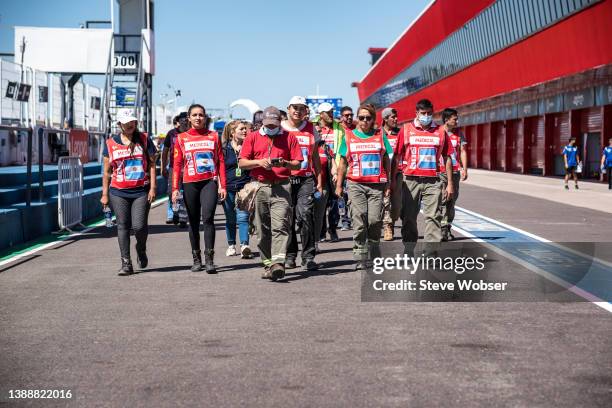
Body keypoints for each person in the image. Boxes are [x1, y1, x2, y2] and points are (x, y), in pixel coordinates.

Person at [239, 106, 303, 281]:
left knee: (281, 225)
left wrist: (285, 163)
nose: (272, 127)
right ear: (262, 122)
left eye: (274, 124)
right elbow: (242, 163)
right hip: (260, 187)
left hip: (282, 187)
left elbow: (298, 164)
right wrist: (259, 162)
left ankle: (278, 263)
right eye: (268, 124)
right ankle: (267, 264)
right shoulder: (252, 137)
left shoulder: (289, 137)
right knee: (262, 229)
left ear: (279, 122)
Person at [391, 98, 453, 256]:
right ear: (416, 113)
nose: (426, 116)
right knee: (409, 217)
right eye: (423, 113)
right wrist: (392, 181)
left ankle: (431, 253)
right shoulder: (405, 130)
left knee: (433, 216)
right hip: (410, 180)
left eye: (429, 113)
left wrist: (450, 183)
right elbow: (396, 156)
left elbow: (447, 157)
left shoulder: (440, 131)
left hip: (433, 181)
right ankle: (409, 248)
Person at [335, 103, 393, 270]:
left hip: (376, 185)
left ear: (373, 119)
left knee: (375, 221)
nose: (365, 121)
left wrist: (389, 182)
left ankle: (374, 249)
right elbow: (343, 164)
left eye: (368, 118)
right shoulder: (348, 136)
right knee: (359, 220)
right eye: (361, 118)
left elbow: (386, 160)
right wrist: (339, 185)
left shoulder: (380, 135)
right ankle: (361, 255)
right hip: (355, 184)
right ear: (357, 119)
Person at [101, 109, 157, 275]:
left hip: (141, 190)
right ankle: (126, 263)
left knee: (139, 227)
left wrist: (153, 187)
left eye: (132, 121)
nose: (130, 124)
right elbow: (107, 172)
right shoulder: (110, 143)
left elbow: (152, 165)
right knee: (123, 226)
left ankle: (141, 248)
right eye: (126, 122)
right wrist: (104, 194)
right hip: (118, 192)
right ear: (119, 124)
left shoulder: (145, 140)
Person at [172, 104, 227, 273]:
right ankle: (196, 259)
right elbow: (177, 164)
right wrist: (175, 188)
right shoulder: (181, 138)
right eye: (194, 115)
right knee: (193, 221)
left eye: (201, 115)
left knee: (208, 218)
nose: (198, 118)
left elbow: (220, 162)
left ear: (205, 117)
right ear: (189, 118)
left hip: (209, 182)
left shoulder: (214, 136)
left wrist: (222, 185)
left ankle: (209, 258)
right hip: (190, 184)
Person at [282, 96, 323, 271]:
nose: (298, 111)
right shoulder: (280, 128)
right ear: (288, 109)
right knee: (287, 218)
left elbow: (315, 158)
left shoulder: (311, 129)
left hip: (306, 179)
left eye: (301, 108)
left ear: (306, 111)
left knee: (306, 214)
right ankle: (290, 255)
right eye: (294, 107)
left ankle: (308, 256)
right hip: (284, 179)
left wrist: (319, 181)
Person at [220, 120, 253, 258]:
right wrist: (220, 186)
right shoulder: (224, 149)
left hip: (244, 187)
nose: (245, 131)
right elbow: (219, 169)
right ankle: (231, 245)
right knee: (230, 218)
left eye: (245, 129)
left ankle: (245, 245)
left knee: (243, 217)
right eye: (241, 129)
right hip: (228, 188)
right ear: (233, 133)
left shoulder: (249, 147)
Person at [313, 102, 342, 244]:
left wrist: (338, 169)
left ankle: (333, 228)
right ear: (321, 115)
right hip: (319, 170)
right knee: (320, 202)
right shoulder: (313, 127)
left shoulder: (339, 128)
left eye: (332, 112)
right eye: (328, 112)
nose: (331, 114)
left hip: (335, 169)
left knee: (334, 201)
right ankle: (321, 231)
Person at [438, 108, 468, 241]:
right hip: (439, 172)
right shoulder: (437, 133)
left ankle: (447, 226)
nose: (457, 121)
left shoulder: (459, 134)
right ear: (446, 119)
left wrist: (465, 169)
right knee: (442, 200)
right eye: (454, 119)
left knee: (452, 201)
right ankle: (442, 228)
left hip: (455, 172)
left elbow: (462, 151)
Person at [380, 108, 405, 242]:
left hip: (398, 173)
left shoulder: (400, 133)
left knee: (396, 205)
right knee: (385, 202)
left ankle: (392, 221)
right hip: (382, 173)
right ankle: (387, 226)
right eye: (393, 117)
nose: (396, 119)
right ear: (385, 119)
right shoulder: (378, 133)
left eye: (396, 117)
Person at [161, 112, 188, 226]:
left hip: (187, 167)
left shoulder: (191, 134)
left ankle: (182, 216)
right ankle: (172, 213)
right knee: (172, 191)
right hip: (173, 167)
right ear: (178, 121)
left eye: (186, 120)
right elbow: (165, 151)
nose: (184, 122)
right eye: (182, 120)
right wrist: (163, 166)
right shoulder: (171, 134)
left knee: (185, 192)